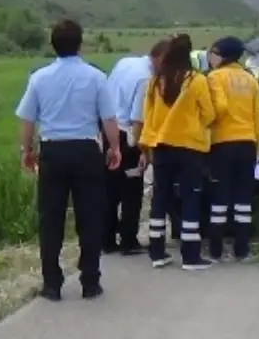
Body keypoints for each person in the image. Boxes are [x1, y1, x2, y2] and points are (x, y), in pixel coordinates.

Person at [15, 19, 122, 301]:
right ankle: (90, 280)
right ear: (80, 44)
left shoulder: (39, 78)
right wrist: (114, 148)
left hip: (52, 151)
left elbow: (27, 119)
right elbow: (109, 118)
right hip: (86, 150)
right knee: (90, 216)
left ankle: (52, 283)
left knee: (50, 218)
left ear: (53, 45)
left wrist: (26, 150)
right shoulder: (96, 77)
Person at [139, 34, 218, 270]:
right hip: (189, 148)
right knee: (190, 198)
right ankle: (190, 256)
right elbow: (209, 114)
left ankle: (156, 252)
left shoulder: (155, 82)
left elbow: (147, 115)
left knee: (160, 197)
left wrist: (148, 143)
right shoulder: (195, 81)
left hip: (161, 147)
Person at [103, 39, 168, 256]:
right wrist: (143, 151)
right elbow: (138, 119)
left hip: (108, 130)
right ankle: (128, 240)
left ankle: (107, 239)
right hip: (129, 137)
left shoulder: (126, 62)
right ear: (160, 59)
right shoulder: (146, 80)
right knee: (132, 189)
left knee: (110, 188)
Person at [205, 37, 259, 261]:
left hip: (222, 144)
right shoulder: (251, 80)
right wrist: (257, 148)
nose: (211, 56)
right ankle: (242, 250)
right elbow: (258, 120)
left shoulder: (214, 78)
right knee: (243, 200)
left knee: (219, 198)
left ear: (222, 55)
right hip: (247, 143)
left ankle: (216, 251)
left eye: (214, 52)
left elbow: (213, 113)